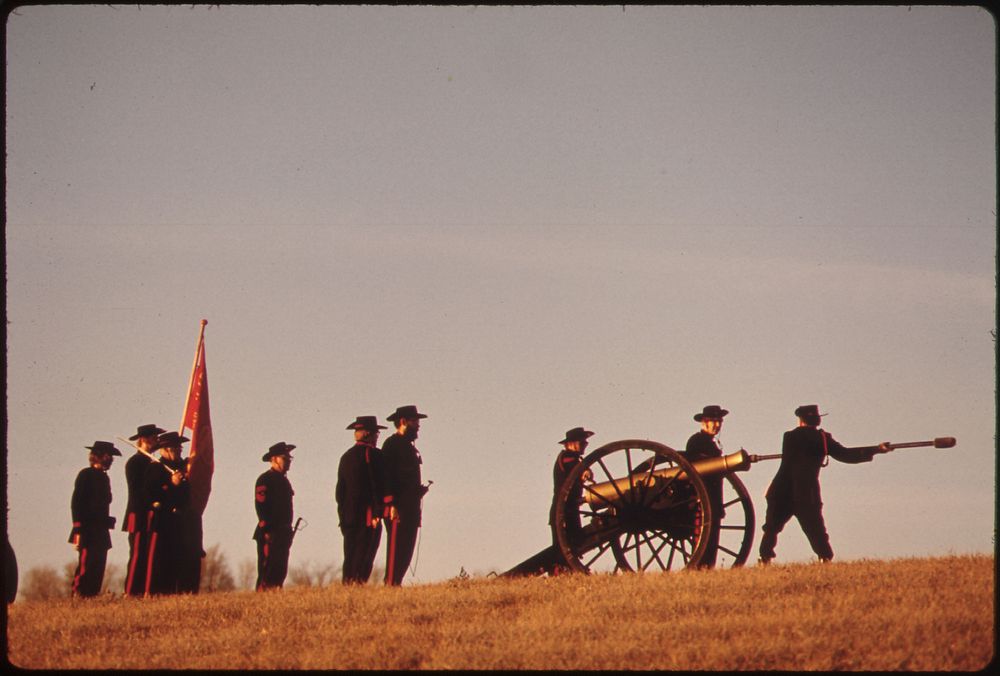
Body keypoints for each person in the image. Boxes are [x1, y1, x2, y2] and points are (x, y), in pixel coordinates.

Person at [759, 405, 891, 564]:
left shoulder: (789, 436)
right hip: (806, 492)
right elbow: (846, 455)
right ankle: (825, 559)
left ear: (800, 420)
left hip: (781, 489)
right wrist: (876, 449)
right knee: (816, 530)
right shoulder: (822, 439)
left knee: (772, 528)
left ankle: (764, 559)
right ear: (817, 420)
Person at [381, 405, 430, 586]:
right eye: (414, 421)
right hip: (398, 510)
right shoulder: (391, 445)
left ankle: (396, 583)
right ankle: (391, 584)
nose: (418, 425)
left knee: (407, 550)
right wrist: (391, 504)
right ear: (403, 422)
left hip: (411, 508)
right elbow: (386, 477)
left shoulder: (408, 447)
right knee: (396, 551)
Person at [336, 416, 387, 585]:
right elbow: (376, 485)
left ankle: (348, 584)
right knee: (365, 552)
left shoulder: (345, 457)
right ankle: (357, 584)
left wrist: (342, 515)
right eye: (376, 433)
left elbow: (340, 492)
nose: (377, 436)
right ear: (368, 434)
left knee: (350, 554)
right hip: (367, 515)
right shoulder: (373, 455)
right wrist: (377, 511)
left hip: (348, 516)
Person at [69, 441, 120, 597]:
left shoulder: (104, 478)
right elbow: (76, 502)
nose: (111, 459)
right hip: (87, 529)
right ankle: (79, 594)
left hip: (101, 529)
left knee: (99, 564)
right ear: (98, 456)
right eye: (108, 456)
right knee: (86, 564)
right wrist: (78, 528)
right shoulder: (86, 474)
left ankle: (92, 594)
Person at [143, 431, 191, 595]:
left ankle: (170, 592)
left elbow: (186, 495)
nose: (178, 451)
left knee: (175, 559)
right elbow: (151, 494)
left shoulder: (180, 469)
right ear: (164, 449)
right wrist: (171, 484)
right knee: (158, 559)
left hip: (177, 521)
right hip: (161, 521)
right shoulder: (155, 468)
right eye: (174, 448)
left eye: (179, 447)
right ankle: (153, 593)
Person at [122, 423, 164, 597]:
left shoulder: (153, 462)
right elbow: (137, 491)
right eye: (154, 437)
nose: (157, 440)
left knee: (149, 556)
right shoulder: (135, 462)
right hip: (139, 515)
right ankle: (131, 592)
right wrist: (152, 502)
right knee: (138, 554)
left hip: (152, 515)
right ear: (144, 439)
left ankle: (145, 591)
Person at [685, 405, 728, 568]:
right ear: (704, 422)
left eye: (719, 422)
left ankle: (707, 568)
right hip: (700, 498)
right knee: (703, 537)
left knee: (712, 538)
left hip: (713, 498)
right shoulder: (696, 441)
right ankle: (699, 567)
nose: (717, 425)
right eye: (713, 421)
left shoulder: (712, 443)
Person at [253, 442, 296, 591]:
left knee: (280, 572)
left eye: (290, 458)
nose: (289, 461)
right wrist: (267, 530)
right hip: (270, 533)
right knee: (267, 572)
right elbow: (261, 506)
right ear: (274, 459)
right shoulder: (265, 479)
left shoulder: (284, 481)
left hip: (283, 532)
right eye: (285, 458)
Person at [549, 427, 594, 551]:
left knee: (573, 546)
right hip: (564, 512)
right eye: (582, 442)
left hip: (568, 509)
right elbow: (574, 467)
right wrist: (584, 471)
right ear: (571, 444)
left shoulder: (573, 458)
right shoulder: (567, 457)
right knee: (564, 550)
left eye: (586, 442)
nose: (585, 444)